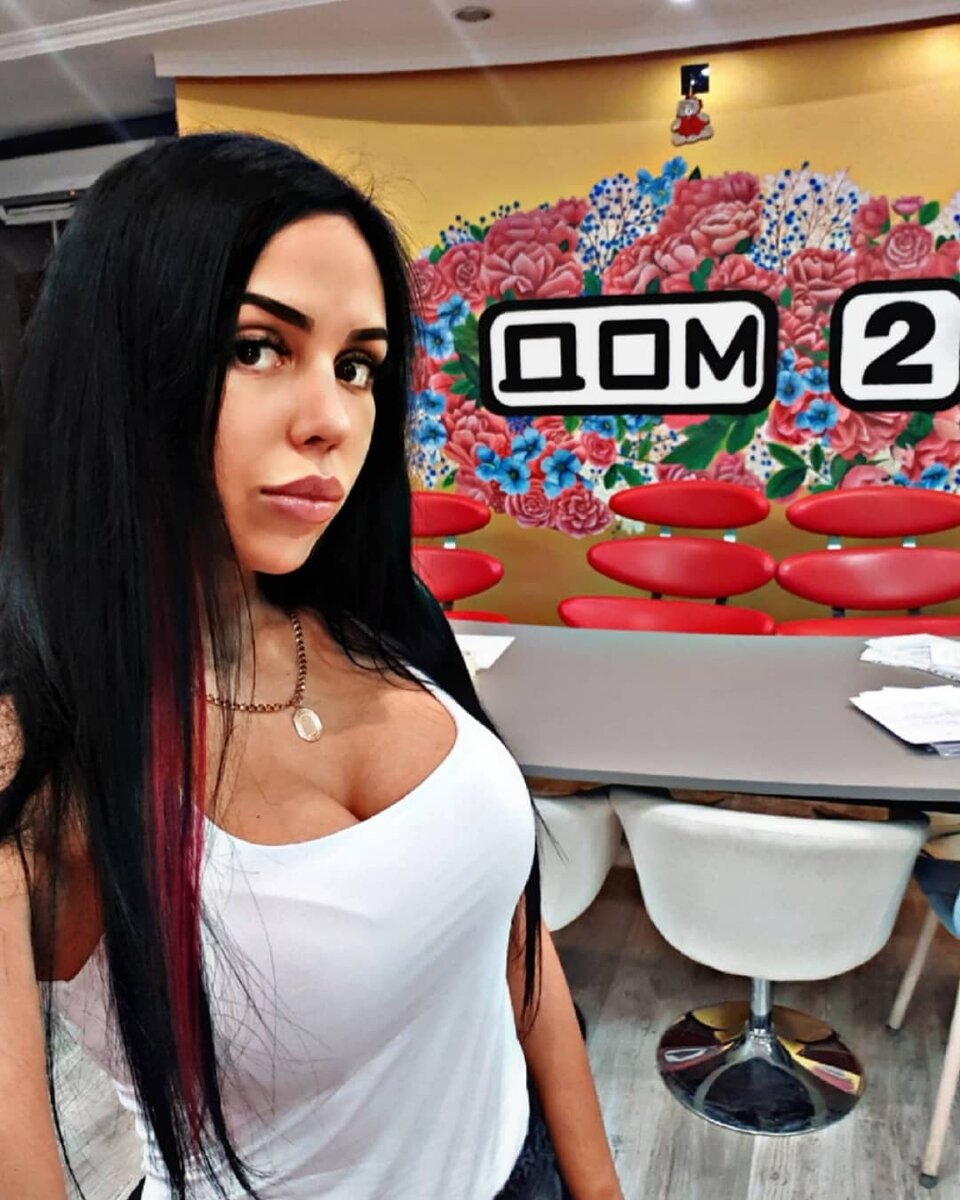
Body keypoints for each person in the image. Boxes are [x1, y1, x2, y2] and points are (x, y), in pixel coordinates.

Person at [0, 133, 623, 1200]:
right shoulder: (44, 759)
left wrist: (596, 1185)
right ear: (118, 362)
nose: (332, 420)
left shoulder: (389, 614)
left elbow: (513, 936)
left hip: (521, 1165)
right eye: (257, 348)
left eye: (357, 365)